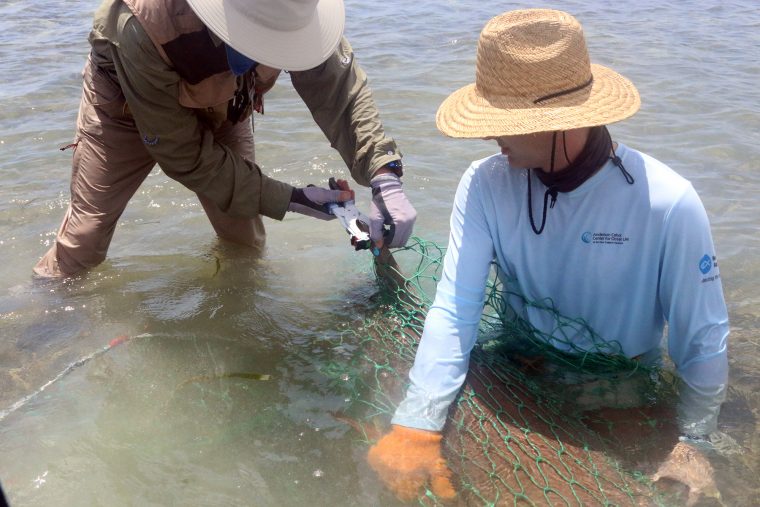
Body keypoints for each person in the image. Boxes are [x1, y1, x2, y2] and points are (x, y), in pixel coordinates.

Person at [367, 8, 730, 502]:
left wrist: (694, 439)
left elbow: (701, 339)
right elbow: (455, 306)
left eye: (501, 121)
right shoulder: (484, 183)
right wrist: (416, 422)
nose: (485, 134)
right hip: (517, 361)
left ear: (559, 122)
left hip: (622, 385)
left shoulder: (667, 202)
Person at [34, 0, 416, 278]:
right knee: (85, 237)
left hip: (228, 98)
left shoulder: (295, 8)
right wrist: (292, 199)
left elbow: (339, 91)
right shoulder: (143, 20)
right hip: (126, 103)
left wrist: (384, 174)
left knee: (244, 232)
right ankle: (38, 326)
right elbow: (183, 156)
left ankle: (237, 310)